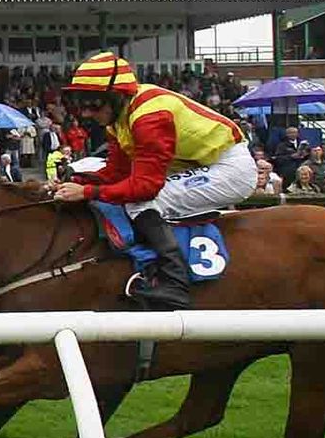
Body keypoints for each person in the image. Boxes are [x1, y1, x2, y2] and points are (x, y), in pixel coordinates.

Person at [51, 52, 254, 310]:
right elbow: (116, 174)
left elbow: (145, 187)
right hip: (204, 164)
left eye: (94, 104)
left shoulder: (149, 118)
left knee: (140, 203)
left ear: (116, 96)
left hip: (229, 168)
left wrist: (87, 192)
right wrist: (75, 182)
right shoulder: (120, 119)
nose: (87, 113)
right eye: (82, 103)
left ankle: (175, 283)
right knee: (127, 199)